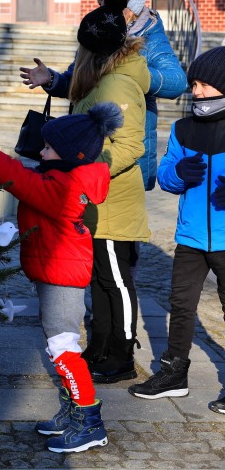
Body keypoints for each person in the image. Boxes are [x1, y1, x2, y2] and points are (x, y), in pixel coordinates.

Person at [0, 101, 124, 452]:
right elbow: (30, 174)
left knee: (63, 347)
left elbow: (23, 182)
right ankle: (73, 410)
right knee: (57, 344)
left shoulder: (62, 188)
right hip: (55, 271)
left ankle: (89, 420)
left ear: (67, 154)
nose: (41, 151)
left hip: (63, 276)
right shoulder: (64, 176)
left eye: (48, 148)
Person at [20, 0, 187, 193]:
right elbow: (76, 81)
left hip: (121, 158)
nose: (101, 6)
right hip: (86, 146)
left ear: (130, 8)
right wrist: (52, 79)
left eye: (107, 1)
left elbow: (177, 81)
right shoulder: (97, 28)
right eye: (100, 0)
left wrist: (136, 75)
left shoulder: (150, 36)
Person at [58, 0, 151, 384]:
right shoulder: (101, 79)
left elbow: (130, 145)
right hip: (93, 201)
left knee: (116, 280)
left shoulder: (117, 85)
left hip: (112, 201)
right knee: (98, 278)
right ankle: (100, 343)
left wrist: (86, 170)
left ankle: (123, 352)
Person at [128, 47, 225, 416]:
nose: (196, 92)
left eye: (204, 85)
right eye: (194, 85)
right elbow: (165, 176)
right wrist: (178, 173)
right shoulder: (183, 128)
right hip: (190, 238)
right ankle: (173, 374)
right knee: (181, 306)